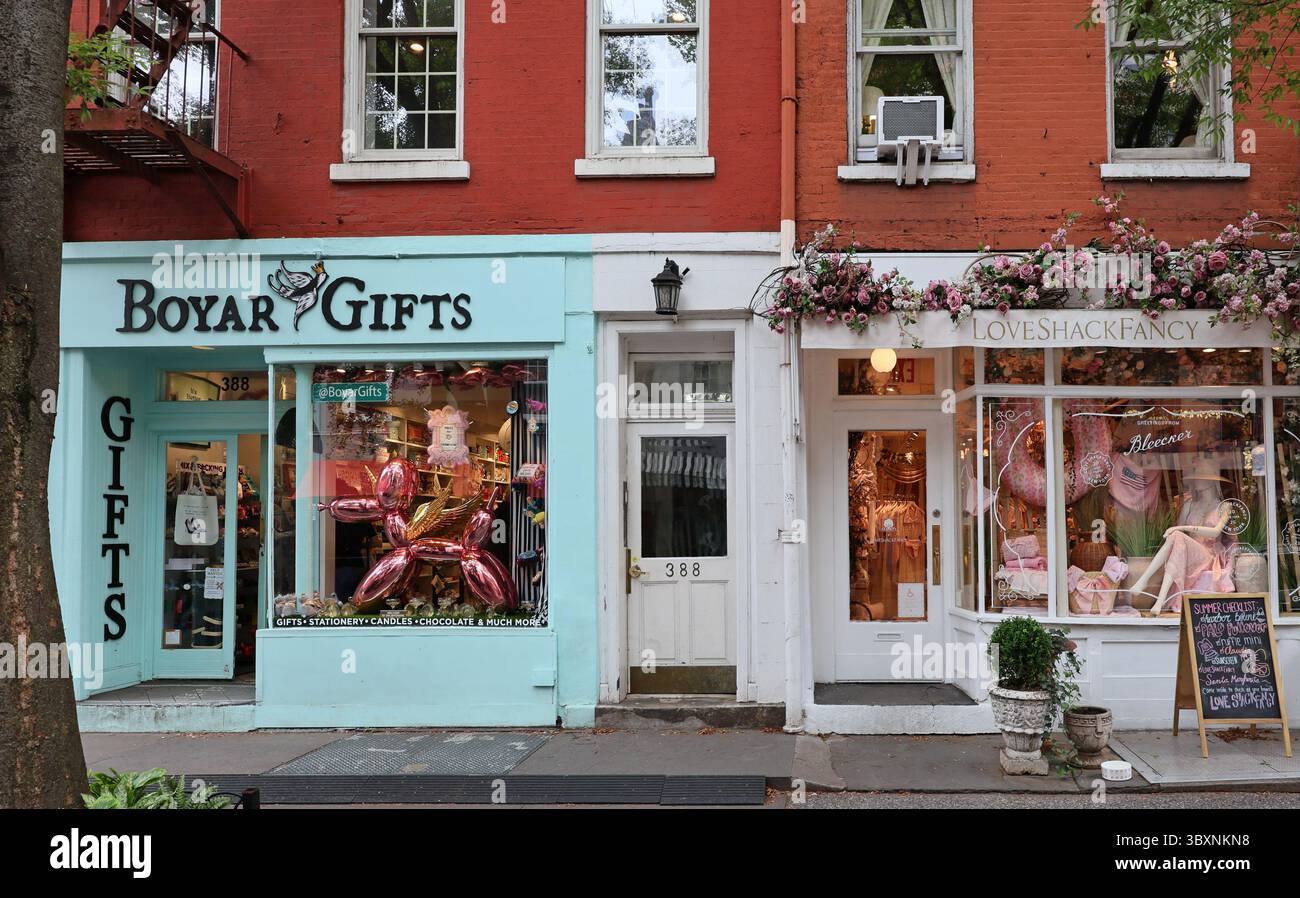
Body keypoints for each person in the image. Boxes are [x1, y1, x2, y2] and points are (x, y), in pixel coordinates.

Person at [1127, 459, 1236, 615]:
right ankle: (1151, 589)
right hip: (1188, 551)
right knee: (1176, 538)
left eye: (1201, 478)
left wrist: (1181, 528)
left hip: (1208, 555)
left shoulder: (1225, 506)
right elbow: (1177, 536)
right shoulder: (1189, 504)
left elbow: (1216, 532)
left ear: (1212, 481)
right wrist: (1178, 530)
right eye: (1196, 478)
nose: (1197, 481)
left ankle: (1149, 587)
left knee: (1177, 534)